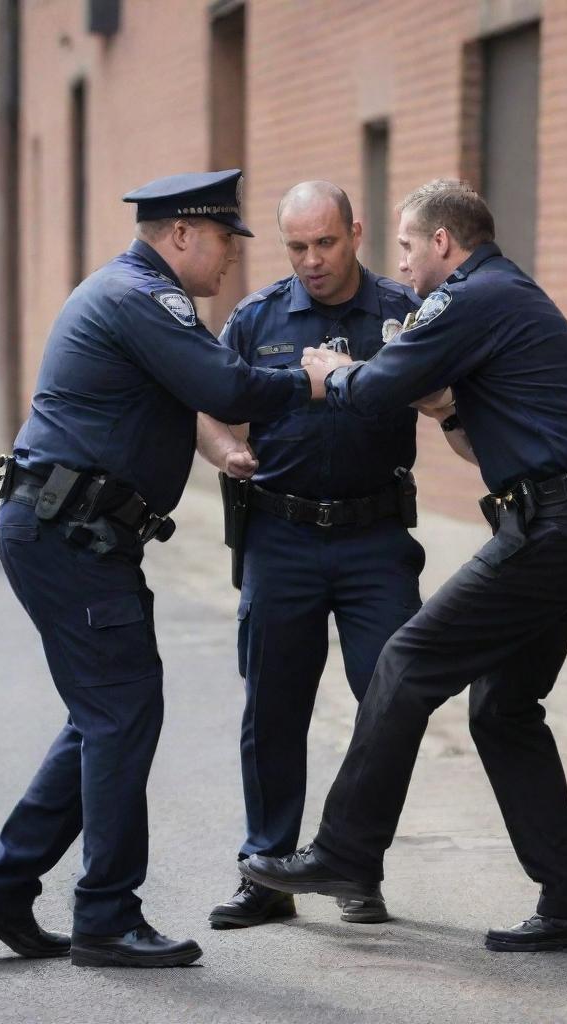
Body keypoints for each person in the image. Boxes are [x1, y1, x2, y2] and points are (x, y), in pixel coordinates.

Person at [241, 179, 567, 956]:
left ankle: (345, 852)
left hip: (559, 525)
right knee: (502, 708)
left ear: (443, 245)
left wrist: (334, 368)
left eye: (408, 248)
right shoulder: (502, 296)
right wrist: (450, 407)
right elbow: (479, 435)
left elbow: (378, 385)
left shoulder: (471, 294)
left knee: (408, 660)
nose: (405, 264)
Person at [0, 170, 315, 969]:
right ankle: (107, 915)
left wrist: (225, 444)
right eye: (224, 241)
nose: (230, 262)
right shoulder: (141, 297)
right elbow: (223, 384)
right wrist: (314, 379)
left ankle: (2, 889)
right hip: (69, 534)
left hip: (74, 531)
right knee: (121, 712)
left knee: (104, 714)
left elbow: (195, 405)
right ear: (182, 234)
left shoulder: (135, 297)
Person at [197, 181, 425, 930]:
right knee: (273, 707)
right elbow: (209, 408)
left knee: (389, 704)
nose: (312, 261)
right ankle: (267, 874)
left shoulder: (400, 312)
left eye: (324, 243)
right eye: (296, 247)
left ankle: (355, 865)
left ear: (355, 233)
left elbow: (451, 392)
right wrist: (229, 450)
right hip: (281, 537)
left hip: (374, 541)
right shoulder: (257, 317)